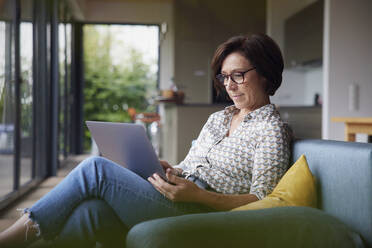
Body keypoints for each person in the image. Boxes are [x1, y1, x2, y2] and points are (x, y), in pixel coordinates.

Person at [0, 33, 291, 247]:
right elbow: (193, 165)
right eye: (224, 76)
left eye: (237, 75)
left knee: (96, 169)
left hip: (201, 209)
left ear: (265, 74)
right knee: (92, 211)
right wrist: (171, 169)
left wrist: (200, 196)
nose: (228, 85)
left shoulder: (271, 130)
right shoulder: (219, 118)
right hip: (178, 194)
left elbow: (262, 200)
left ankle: (10, 239)